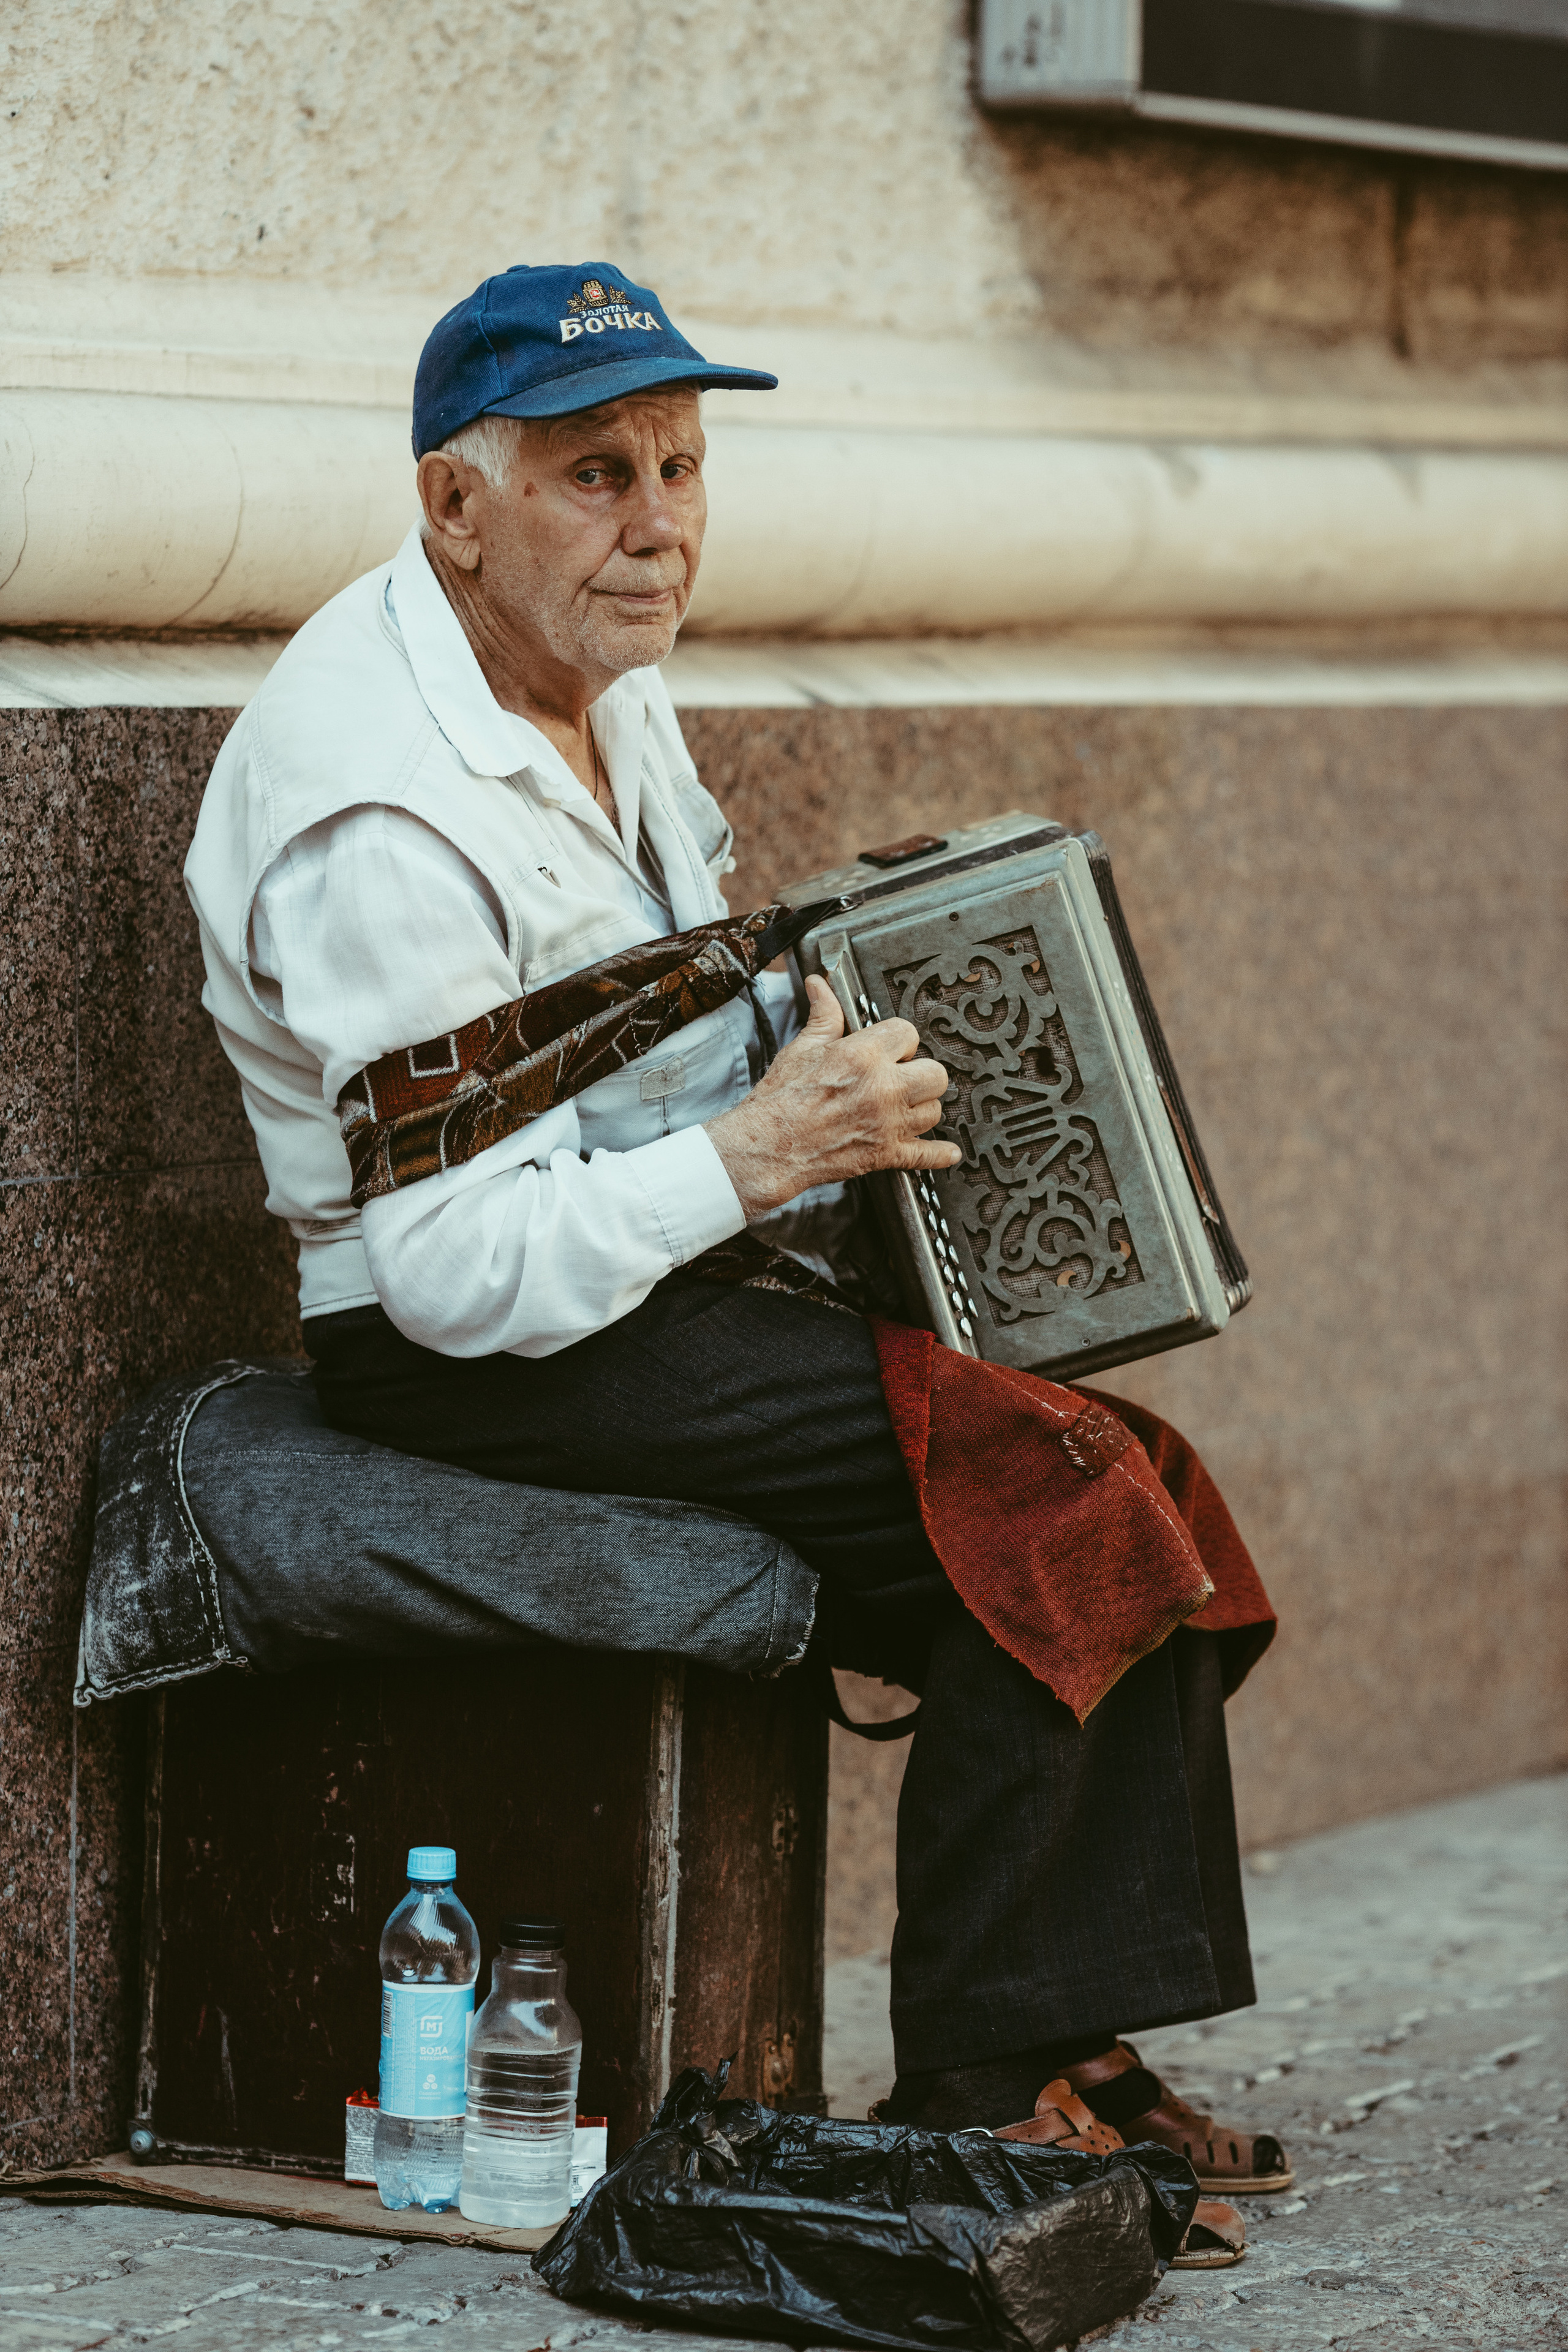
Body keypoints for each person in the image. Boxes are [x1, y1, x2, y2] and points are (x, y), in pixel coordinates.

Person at [186, 262, 1290, 2195]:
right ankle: (974, 2098)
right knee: (1043, 1495)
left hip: (650, 1271)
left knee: (1132, 1477)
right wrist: (773, 1154)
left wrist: (830, 1025)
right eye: (599, 475)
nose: (661, 524)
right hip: (473, 1355)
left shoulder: (604, 681)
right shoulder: (371, 804)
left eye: (684, 468)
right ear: (456, 504)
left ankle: (1060, 2037)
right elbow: (448, 1275)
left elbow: (671, 1015)